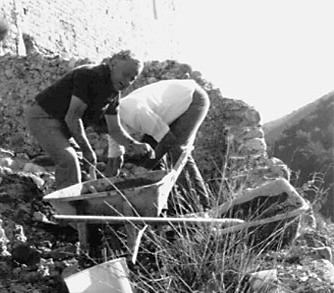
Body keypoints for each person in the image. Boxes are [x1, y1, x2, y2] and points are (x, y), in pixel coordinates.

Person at [25, 50, 153, 189]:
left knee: (83, 162)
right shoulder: (90, 75)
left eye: (132, 78)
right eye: (125, 74)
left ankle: (41, 172)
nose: (127, 81)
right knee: (69, 159)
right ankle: (68, 206)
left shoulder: (113, 94)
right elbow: (73, 117)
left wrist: (134, 145)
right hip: (44, 117)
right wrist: (87, 149)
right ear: (113, 64)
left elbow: (114, 129)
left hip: (63, 127)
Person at [104, 78, 211, 208]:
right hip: (164, 113)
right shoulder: (111, 126)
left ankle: (203, 207)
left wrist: (144, 168)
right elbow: (114, 159)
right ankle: (161, 205)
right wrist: (105, 187)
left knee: (177, 152)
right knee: (148, 155)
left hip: (192, 98)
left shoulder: (134, 114)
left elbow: (168, 140)